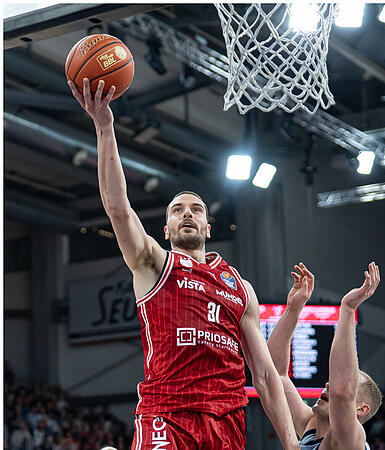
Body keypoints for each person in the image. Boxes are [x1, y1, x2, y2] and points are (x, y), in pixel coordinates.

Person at [67, 79, 298, 448]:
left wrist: (291, 444)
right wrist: (105, 126)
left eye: (196, 209)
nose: (187, 214)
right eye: (177, 210)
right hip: (167, 415)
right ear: (167, 228)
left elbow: (267, 376)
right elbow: (117, 208)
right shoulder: (153, 263)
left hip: (227, 423)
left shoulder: (239, 287)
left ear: (209, 226)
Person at [267, 262, 383, 449]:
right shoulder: (309, 425)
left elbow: (341, 392)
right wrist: (293, 309)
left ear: (360, 409)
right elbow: (274, 372)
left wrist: (347, 308)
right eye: (331, 380)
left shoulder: (350, 441)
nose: (329, 383)